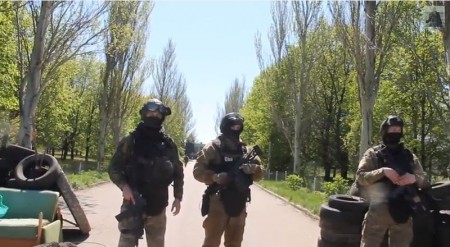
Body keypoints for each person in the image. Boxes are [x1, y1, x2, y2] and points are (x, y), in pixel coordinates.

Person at [108, 99, 184, 247]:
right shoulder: (131, 141)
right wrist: (124, 186)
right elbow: (114, 167)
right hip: (133, 202)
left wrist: (178, 197)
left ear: (162, 117)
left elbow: (178, 172)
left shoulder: (168, 145)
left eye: (157, 114)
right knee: (126, 243)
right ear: (144, 114)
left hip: (158, 205)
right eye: (150, 113)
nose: (154, 116)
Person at [355, 115, 429, 247]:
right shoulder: (373, 154)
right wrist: (382, 171)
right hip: (378, 212)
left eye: (398, 130)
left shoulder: (409, 155)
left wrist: (413, 178)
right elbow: (360, 178)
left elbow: (425, 181)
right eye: (392, 129)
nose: (395, 132)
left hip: (404, 211)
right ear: (384, 131)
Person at [193, 112, 264, 247]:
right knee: (211, 242)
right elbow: (197, 172)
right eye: (233, 127)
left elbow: (260, 174)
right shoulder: (212, 148)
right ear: (225, 127)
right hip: (217, 201)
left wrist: (254, 169)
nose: (236, 130)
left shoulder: (246, 150)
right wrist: (214, 177)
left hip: (239, 202)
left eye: (238, 127)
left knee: (235, 243)